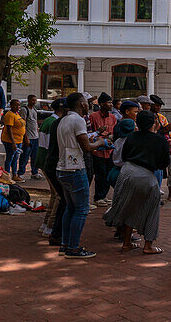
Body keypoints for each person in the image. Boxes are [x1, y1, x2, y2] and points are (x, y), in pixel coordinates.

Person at [105, 110, 170, 254]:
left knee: (129, 207)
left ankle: (127, 242)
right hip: (146, 175)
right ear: (154, 123)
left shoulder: (131, 137)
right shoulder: (160, 140)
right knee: (152, 211)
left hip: (127, 172)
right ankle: (148, 245)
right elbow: (164, 163)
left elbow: (125, 155)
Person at [55, 92, 107, 258]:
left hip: (63, 168)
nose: (89, 105)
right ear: (81, 104)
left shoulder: (64, 120)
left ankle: (66, 244)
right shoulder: (78, 120)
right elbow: (86, 147)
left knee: (70, 208)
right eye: (86, 102)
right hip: (75, 168)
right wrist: (101, 142)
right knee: (81, 209)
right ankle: (73, 248)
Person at [38, 98, 67, 245]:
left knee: (54, 194)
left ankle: (46, 223)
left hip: (44, 161)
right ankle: (50, 226)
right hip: (49, 162)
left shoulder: (49, 121)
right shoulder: (55, 123)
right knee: (58, 196)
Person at [87, 93, 118, 207]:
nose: (111, 104)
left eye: (111, 102)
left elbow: (114, 132)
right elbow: (90, 133)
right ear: (101, 104)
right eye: (108, 102)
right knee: (100, 174)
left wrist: (110, 137)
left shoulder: (113, 117)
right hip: (97, 151)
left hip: (109, 151)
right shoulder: (93, 116)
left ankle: (104, 196)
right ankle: (98, 197)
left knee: (108, 174)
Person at [0, 99, 26, 179]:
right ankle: (7, 175)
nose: (18, 107)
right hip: (10, 141)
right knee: (10, 158)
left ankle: (14, 175)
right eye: (16, 105)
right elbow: (9, 129)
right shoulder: (10, 115)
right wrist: (13, 143)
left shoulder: (16, 114)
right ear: (11, 106)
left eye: (19, 105)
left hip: (19, 140)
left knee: (15, 158)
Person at [18, 95, 40, 180]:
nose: (34, 102)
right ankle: (21, 173)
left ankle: (34, 172)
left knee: (35, 156)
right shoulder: (24, 110)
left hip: (35, 137)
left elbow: (35, 122)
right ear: (28, 100)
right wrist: (25, 137)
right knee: (25, 156)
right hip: (29, 137)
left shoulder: (34, 109)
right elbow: (22, 125)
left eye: (35, 100)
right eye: (32, 100)